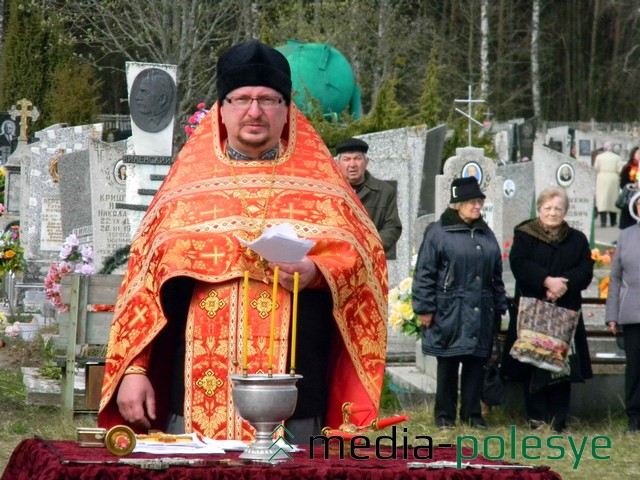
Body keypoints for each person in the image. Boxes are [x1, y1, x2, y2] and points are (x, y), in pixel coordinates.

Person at [98, 40, 388, 442]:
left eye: (268, 99)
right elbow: (144, 284)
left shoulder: (326, 189)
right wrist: (134, 370)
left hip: (299, 404)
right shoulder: (186, 188)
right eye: (242, 99)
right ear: (221, 108)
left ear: (288, 110)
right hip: (196, 396)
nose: (254, 111)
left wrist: (317, 272)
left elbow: (363, 262)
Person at [412, 177, 508, 429]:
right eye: (471, 202)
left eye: (479, 201)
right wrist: (424, 307)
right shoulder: (438, 232)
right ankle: (444, 416)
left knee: (476, 363)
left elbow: (495, 275)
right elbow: (425, 271)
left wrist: (500, 306)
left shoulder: (485, 233)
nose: (477, 206)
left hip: (481, 309)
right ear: (457, 204)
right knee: (448, 363)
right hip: (449, 309)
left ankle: (472, 414)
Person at [506, 187, 594, 433]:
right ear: (539, 209)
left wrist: (562, 283)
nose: (553, 213)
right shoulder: (525, 234)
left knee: (561, 366)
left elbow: (585, 270)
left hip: (565, 312)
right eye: (548, 208)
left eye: (558, 208)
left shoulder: (577, 239)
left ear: (565, 211)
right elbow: (519, 264)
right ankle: (537, 419)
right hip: (534, 310)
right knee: (533, 362)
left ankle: (558, 420)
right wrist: (546, 281)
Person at [606, 191, 640, 433]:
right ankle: (634, 418)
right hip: (633, 314)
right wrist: (612, 314)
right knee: (635, 368)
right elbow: (615, 279)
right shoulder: (626, 236)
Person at [335, 137, 402, 257]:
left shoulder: (385, 191)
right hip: (336, 259)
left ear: (366, 162)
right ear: (337, 163)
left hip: (370, 259)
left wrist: (370, 249)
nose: (352, 164)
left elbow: (392, 227)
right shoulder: (330, 190)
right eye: (347, 159)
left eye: (357, 158)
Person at [594, 141, 624, 227]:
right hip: (613, 178)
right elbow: (620, 169)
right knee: (612, 200)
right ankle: (613, 221)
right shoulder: (617, 157)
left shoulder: (599, 157)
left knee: (602, 200)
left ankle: (603, 222)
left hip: (601, 178)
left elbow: (595, 168)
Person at [618, 146, 639, 230]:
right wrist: (632, 185)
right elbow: (623, 183)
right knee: (629, 222)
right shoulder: (629, 167)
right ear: (633, 154)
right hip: (631, 197)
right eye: (638, 153)